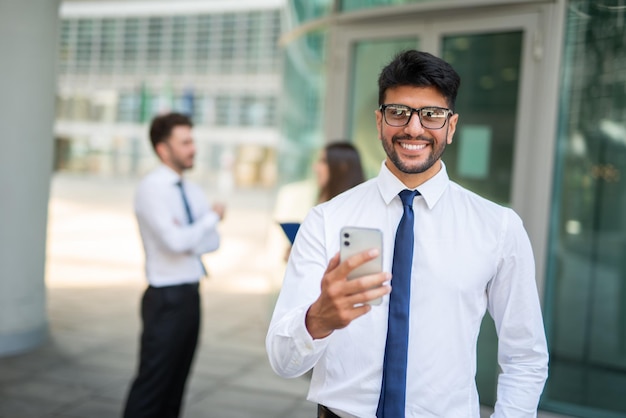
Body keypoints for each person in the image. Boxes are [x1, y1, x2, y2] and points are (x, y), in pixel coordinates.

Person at [266, 50, 548, 418]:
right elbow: (282, 361)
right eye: (399, 112)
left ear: (451, 125)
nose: (414, 128)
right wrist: (318, 319)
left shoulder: (498, 227)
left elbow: (525, 355)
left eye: (431, 115)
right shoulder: (326, 220)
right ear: (380, 121)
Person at [123, 112, 225, 418]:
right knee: (152, 386)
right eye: (184, 142)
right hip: (165, 298)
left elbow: (211, 242)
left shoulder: (191, 190)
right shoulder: (152, 188)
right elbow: (176, 243)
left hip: (190, 296)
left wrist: (193, 232)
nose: (192, 148)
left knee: (176, 384)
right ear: (162, 149)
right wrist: (210, 218)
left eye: (192, 141)